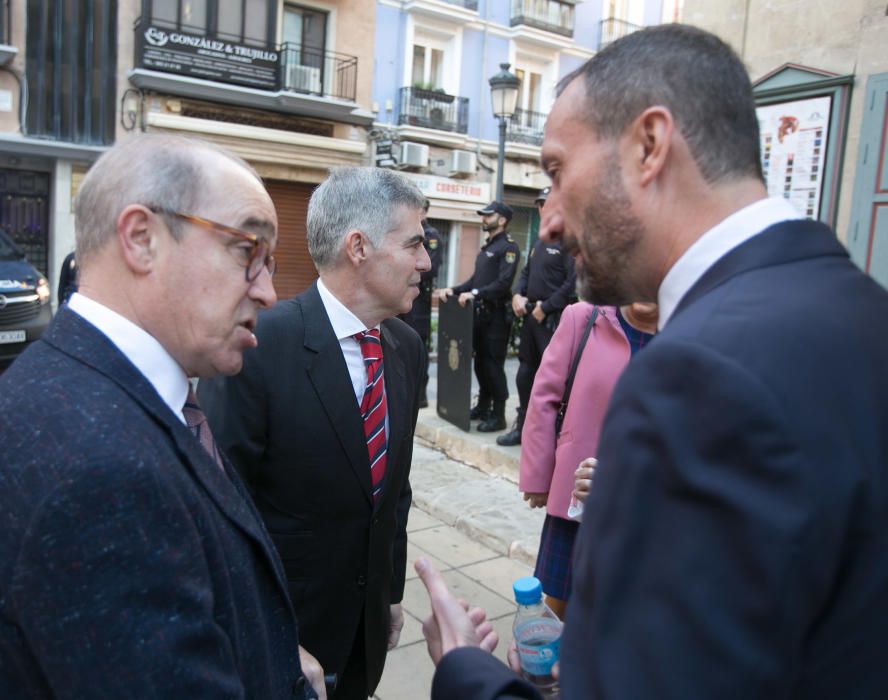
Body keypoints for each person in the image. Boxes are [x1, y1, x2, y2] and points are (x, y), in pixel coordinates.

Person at [416, 23, 888, 699]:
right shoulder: (861, 309)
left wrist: (467, 671)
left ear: (648, 145)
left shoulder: (693, 373)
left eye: (555, 171)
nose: (546, 220)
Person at [0, 134, 325, 698]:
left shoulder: (97, 389)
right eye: (248, 250)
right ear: (142, 238)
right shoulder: (101, 472)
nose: (270, 291)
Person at [199, 167, 429, 700]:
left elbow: (396, 490)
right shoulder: (259, 345)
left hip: (363, 635)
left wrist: (390, 593)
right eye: (414, 243)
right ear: (358, 247)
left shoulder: (406, 347)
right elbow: (221, 511)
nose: (426, 262)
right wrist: (268, 633)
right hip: (286, 640)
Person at [519, 302, 655, 619]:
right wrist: (540, 478)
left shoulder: (684, 328)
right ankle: (546, 666)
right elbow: (543, 398)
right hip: (576, 500)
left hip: (644, 502)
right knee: (559, 606)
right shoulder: (585, 317)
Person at [497, 187, 576, 446]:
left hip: (553, 320)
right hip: (532, 318)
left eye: (549, 202)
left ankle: (552, 435)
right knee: (525, 373)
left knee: (554, 380)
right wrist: (518, 295)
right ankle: (523, 428)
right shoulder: (541, 240)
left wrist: (548, 307)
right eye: (540, 204)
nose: (544, 208)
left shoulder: (569, 239)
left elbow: (573, 283)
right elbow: (526, 273)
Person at [435, 201, 519, 432]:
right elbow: (475, 281)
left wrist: (474, 293)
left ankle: (499, 415)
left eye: (488, 216)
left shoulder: (508, 248)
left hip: (497, 317)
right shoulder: (488, 247)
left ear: (501, 220)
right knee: (481, 365)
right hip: (480, 316)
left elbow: (502, 284)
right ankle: (483, 406)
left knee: (493, 366)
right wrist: (455, 290)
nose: (483, 219)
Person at [398, 198, 443, 408]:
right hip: (404, 296)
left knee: (418, 346)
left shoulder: (431, 236)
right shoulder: (404, 232)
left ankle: (421, 395)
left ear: (424, 212)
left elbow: (430, 268)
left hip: (421, 301)